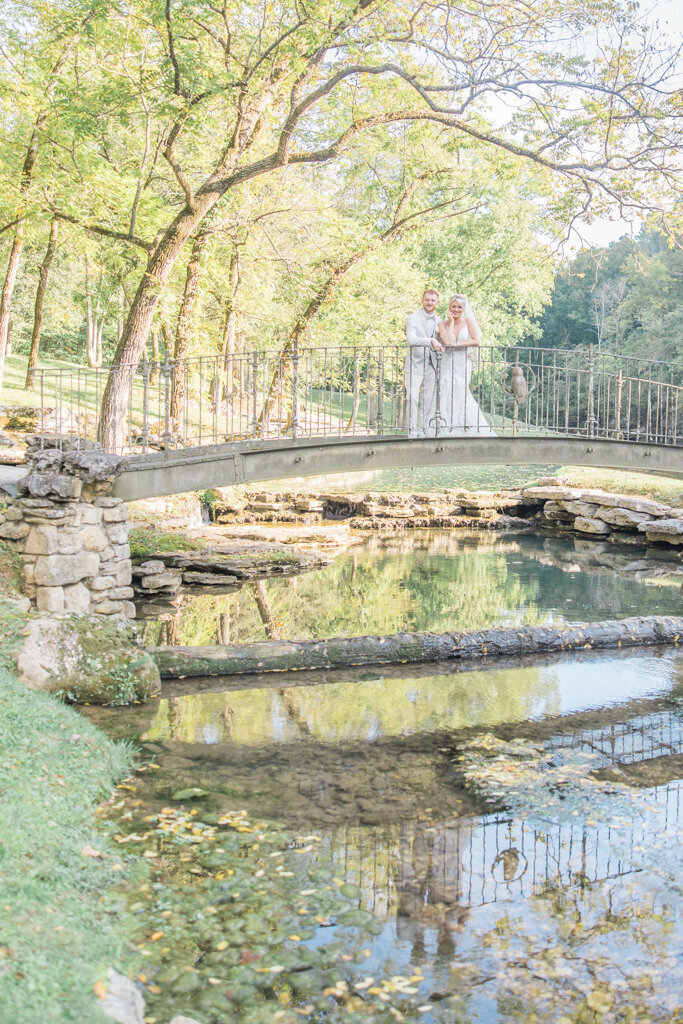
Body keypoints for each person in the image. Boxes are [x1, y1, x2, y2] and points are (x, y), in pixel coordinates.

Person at [434, 294, 496, 436]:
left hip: (462, 363)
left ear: (464, 308)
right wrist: (450, 323)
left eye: (459, 307)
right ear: (449, 307)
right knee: (445, 392)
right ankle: (445, 427)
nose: (456, 309)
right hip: (447, 363)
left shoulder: (468, 322)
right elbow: (447, 341)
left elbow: (476, 340)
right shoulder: (442, 324)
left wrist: (459, 344)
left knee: (461, 393)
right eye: (453, 306)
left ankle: (465, 427)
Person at [405, 288, 443, 437]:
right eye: (427, 299)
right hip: (414, 364)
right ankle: (412, 430)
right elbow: (411, 340)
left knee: (427, 401)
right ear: (422, 300)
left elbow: (443, 341)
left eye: (433, 300)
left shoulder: (439, 321)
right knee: (412, 397)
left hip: (432, 365)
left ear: (437, 303)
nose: (429, 303)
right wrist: (431, 341)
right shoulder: (412, 318)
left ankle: (424, 430)